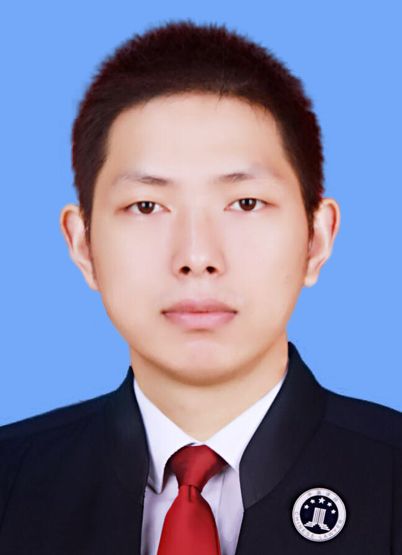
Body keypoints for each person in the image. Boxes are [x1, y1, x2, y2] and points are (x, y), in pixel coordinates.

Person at [0, 19, 401, 555]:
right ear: (83, 244)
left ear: (317, 238)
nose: (196, 257)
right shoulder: (12, 481)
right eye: (147, 206)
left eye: (245, 203)